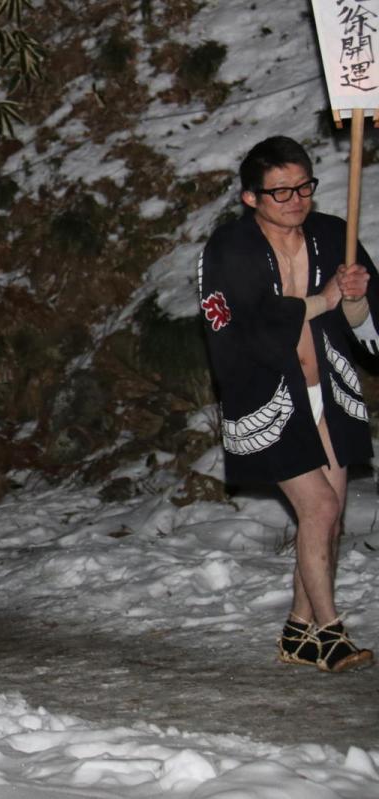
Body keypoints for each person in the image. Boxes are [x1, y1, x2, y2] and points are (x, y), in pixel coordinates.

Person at [199, 135, 378, 672]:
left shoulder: (332, 235)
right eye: (280, 192)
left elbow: (360, 325)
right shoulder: (230, 248)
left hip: (331, 389)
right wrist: (322, 299)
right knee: (319, 507)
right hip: (267, 393)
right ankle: (330, 632)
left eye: (303, 186)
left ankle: (298, 632)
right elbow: (238, 327)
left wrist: (354, 297)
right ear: (250, 197)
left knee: (327, 519)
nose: (296, 199)